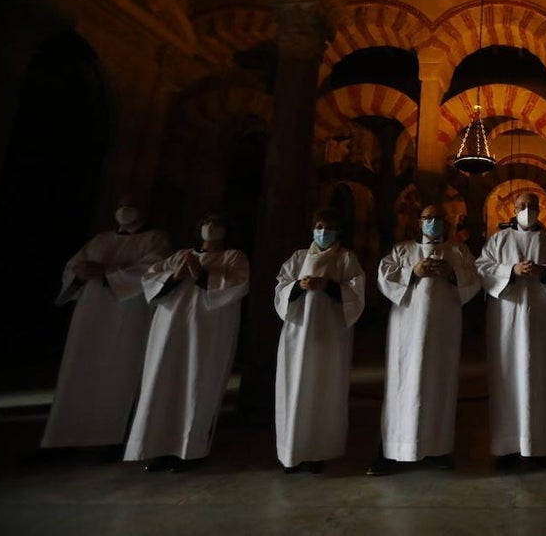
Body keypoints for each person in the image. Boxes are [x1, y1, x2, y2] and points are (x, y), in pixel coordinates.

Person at [41, 197, 171, 452]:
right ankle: (63, 437)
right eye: (121, 203)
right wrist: (78, 274)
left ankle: (110, 437)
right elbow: (73, 267)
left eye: (130, 203)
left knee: (119, 369)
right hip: (91, 311)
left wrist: (109, 274)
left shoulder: (155, 239)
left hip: (128, 312)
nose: (125, 208)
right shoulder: (101, 239)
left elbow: (153, 270)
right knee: (79, 367)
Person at [124, 213, 250, 471]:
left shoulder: (233, 257)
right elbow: (151, 280)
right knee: (162, 383)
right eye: (207, 221)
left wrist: (201, 276)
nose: (212, 226)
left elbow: (236, 285)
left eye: (218, 222)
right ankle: (156, 449)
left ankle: (190, 451)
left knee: (197, 384)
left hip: (207, 334)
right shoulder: (179, 255)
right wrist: (176, 276)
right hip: (170, 330)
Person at [370, 204, 481, 475]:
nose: (433, 222)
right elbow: (384, 278)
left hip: (443, 331)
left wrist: (452, 274)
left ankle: (436, 449)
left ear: (447, 222)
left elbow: (476, 279)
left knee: (438, 384)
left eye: (438, 218)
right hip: (407, 331)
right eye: (428, 218)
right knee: (403, 386)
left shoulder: (457, 251)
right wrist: (413, 272)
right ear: (419, 222)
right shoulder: (402, 250)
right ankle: (394, 451)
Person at [477, 192, 546, 469]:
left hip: (542, 323)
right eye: (521, 206)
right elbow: (482, 268)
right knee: (507, 378)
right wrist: (511, 270)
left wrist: (544, 273)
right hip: (507, 321)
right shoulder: (499, 240)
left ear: (540, 208)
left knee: (540, 377)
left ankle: (539, 448)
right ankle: (507, 448)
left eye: (531, 206)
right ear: (513, 209)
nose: (527, 210)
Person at [274, 208, 367, 473]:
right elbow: (281, 286)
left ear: (338, 232)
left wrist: (329, 286)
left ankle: (318, 452)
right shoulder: (298, 257)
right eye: (318, 226)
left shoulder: (345, 258)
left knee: (323, 389)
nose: (323, 232)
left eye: (328, 227)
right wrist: (297, 287)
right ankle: (292, 450)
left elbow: (356, 291)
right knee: (294, 387)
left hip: (330, 334)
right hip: (297, 333)